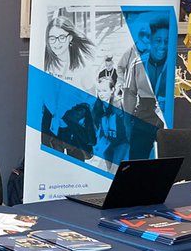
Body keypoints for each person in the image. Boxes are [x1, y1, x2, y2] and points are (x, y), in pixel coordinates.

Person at [41, 14, 95, 161]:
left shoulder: (83, 67)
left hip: (73, 127)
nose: (56, 43)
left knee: (75, 170)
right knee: (52, 168)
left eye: (61, 37)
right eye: (52, 38)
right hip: (50, 125)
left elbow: (92, 98)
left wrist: (75, 114)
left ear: (70, 38)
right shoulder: (44, 62)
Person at [118, 18, 170, 160]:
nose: (163, 45)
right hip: (144, 116)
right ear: (150, 41)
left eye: (166, 41)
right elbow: (129, 93)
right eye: (158, 40)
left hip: (168, 116)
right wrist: (127, 123)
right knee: (137, 161)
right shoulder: (138, 63)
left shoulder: (173, 64)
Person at [91, 71, 128, 169]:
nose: (101, 94)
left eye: (104, 90)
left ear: (112, 90)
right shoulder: (96, 107)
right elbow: (99, 128)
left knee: (114, 171)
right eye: (99, 91)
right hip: (107, 144)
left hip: (121, 143)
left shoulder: (120, 104)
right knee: (109, 173)